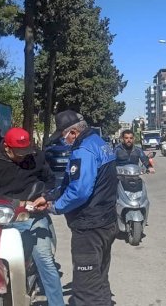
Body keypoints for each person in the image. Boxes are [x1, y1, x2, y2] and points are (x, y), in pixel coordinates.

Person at [0, 127, 64, 306]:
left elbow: (50, 180)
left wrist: (46, 197)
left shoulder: (36, 156)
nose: (24, 156)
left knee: (45, 260)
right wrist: (18, 203)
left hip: (31, 216)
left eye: (26, 151)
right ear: (7, 147)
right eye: (19, 152)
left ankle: (56, 303)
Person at [33, 110, 118, 306]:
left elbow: (80, 191)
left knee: (85, 288)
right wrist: (48, 196)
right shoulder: (99, 143)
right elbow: (70, 183)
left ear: (72, 132)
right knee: (99, 278)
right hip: (106, 222)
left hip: (90, 227)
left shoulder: (84, 150)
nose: (63, 140)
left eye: (63, 136)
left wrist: (55, 207)